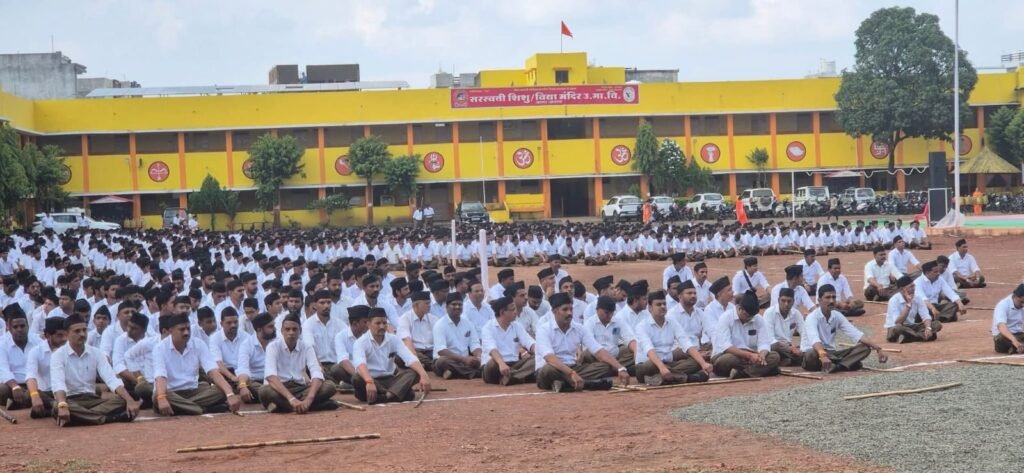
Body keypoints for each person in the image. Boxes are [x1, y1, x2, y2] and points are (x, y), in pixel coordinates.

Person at [50, 314, 138, 426]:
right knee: (56, 406)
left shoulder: (96, 353)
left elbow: (111, 379)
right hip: (70, 400)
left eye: (84, 330)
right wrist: (62, 404)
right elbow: (58, 383)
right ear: (66, 334)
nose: (82, 334)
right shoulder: (58, 355)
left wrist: (129, 400)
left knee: (123, 400)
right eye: (77, 331)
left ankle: (80, 418)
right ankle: (109, 419)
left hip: (93, 400)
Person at [534, 293, 628, 393]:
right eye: (565, 309)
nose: (569, 313)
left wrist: (620, 368)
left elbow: (598, 350)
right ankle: (587, 384)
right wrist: (571, 373)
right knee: (548, 369)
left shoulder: (579, 328)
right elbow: (550, 358)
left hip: (574, 368)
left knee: (605, 366)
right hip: (553, 369)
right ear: (554, 311)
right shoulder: (544, 330)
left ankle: (565, 384)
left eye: (571, 309)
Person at [152, 315, 241, 416]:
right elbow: (160, 376)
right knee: (157, 396)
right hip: (171, 393)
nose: (186, 332)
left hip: (194, 391)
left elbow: (213, 372)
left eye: (188, 328)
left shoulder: (198, 344)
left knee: (222, 390)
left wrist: (230, 394)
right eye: (182, 329)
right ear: (171, 331)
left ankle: (186, 408)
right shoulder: (160, 348)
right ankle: (201, 409)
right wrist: (162, 397)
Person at [258, 313, 338, 414]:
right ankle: (313, 406)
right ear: (282, 331)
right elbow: (271, 377)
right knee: (264, 391)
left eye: (294, 329)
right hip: (280, 389)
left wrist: (309, 399)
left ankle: (289, 407)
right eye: (287, 329)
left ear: (300, 331)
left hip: (301, 388)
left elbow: (316, 372)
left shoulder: (306, 347)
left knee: (329, 386)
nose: (291, 332)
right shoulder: (273, 347)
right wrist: (291, 398)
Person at [801, 285, 889, 373]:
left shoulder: (837, 315)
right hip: (816, 353)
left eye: (833, 297)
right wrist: (823, 355)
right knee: (811, 354)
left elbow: (856, 334)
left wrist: (878, 348)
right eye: (827, 297)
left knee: (865, 348)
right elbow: (815, 340)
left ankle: (837, 366)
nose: (831, 301)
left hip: (831, 353)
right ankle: (846, 364)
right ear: (819, 300)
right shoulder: (812, 317)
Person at [352, 307, 431, 404]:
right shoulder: (361, 342)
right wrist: (369, 381)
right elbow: (360, 363)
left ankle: (386, 396)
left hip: (390, 380)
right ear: (368, 324)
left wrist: (423, 374)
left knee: (415, 372)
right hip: (371, 380)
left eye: (384, 323)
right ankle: (397, 394)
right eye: (378, 323)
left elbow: (409, 358)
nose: (382, 326)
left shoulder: (394, 339)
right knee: (357, 378)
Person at [634, 290, 712, 385]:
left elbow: (686, 343)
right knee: (652, 364)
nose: (662, 307)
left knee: (696, 361)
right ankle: (687, 378)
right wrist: (662, 367)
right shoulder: (642, 326)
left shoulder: (672, 322)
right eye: (658, 304)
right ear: (650, 307)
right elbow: (649, 350)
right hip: (647, 366)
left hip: (669, 364)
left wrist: (703, 363)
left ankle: (660, 378)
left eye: (664, 304)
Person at [711, 292, 781, 378]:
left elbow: (764, 343)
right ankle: (762, 370)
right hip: (728, 354)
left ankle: (743, 374)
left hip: (752, 355)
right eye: (747, 315)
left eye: (752, 316)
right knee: (729, 359)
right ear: (739, 308)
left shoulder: (758, 319)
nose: (750, 318)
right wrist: (749, 356)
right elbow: (726, 346)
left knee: (774, 356)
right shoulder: (726, 318)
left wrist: (762, 356)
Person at [480, 297, 536, 385]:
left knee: (537, 358)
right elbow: (492, 349)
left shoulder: (517, 326)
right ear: (502, 312)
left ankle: (511, 377)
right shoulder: (488, 327)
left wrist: (540, 353)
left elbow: (530, 343)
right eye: (512, 309)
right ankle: (518, 376)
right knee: (492, 363)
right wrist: (501, 363)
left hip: (514, 364)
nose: (515, 312)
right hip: (496, 365)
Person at [582, 296, 638, 376]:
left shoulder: (618, 322)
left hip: (615, 356)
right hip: (596, 358)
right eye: (607, 312)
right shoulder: (589, 324)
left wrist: (636, 353)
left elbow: (630, 338)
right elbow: (594, 350)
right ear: (597, 310)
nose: (610, 315)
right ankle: (618, 368)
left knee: (636, 349)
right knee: (587, 354)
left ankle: (612, 369)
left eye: (612, 313)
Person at [432, 293, 482, 379]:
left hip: (465, 361)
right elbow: (441, 351)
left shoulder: (468, 323)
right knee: (442, 362)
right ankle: (476, 373)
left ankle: (453, 373)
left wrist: (478, 357)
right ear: (446, 307)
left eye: (460, 304)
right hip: (449, 360)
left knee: (483, 358)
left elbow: (475, 344)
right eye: (454, 304)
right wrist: (464, 359)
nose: (457, 307)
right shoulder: (439, 325)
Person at [0, 304, 40, 410]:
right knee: (1, 390)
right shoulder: (2, 344)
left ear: (28, 326)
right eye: (15, 327)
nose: (19, 329)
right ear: (9, 328)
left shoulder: (38, 342)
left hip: (35, 384)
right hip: (12, 385)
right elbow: (3, 369)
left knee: (40, 391)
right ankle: (28, 402)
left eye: (22, 326)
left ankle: (18, 403)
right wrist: (14, 386)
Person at [25, 317, 66, 418]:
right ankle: (60, 407)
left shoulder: (68, 349)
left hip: (66, 391)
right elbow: (30, 376)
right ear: (47, 335)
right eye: (59, 335)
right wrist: (34, 395)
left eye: (66, 335)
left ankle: (53, 409)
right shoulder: (35, 352)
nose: (64, 339)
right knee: (31, 393)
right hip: (46, 393)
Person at [885, 276, 941, 343]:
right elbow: (898, 322)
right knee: (898, 328)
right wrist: (908, 305)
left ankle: (908, 337)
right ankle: (919, 336)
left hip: (911, 326)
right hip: (896, 328)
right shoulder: (894, 300)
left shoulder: (917, 298)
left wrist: (928, 328)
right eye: (911, 287)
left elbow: (925, 316)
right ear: (902, 289)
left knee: (937, 324)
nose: (913, 288)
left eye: (914, 286)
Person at [236, 312, 275, 404]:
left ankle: (271, 399)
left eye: (273, 326)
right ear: (259, 329)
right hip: (255, 382)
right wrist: (243, 386)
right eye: (270, 327)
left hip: (274, 380)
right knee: (251, 387)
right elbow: (243, 368)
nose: (274, 329)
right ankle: (273, 398)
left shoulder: (277, 342)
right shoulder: (246, 344)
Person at [397, 291, 438, 370]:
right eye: (426, 303)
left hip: (431, 351)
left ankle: (427, 365)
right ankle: (434, 366)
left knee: (442, 358)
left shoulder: (433, 319)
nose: (429, 306)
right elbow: (407, 341)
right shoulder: (405, 318)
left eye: (429, 303)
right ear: (415, 305)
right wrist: (415, 358)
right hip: (414, 351)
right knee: (400, 357)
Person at [764, 288, 804, 367]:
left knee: (806, 353)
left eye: (789, 301)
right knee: (775, 351)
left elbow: (804, 333)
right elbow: (770, 339)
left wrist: (802, 348)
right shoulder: (769, 313)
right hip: (773, 346)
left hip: (788, 347)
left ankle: (786, 360)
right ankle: (788, 360)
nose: (786, 304)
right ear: (778, 300)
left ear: (793, 301)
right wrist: (790, 349)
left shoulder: (796, 313)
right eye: (783, 301)